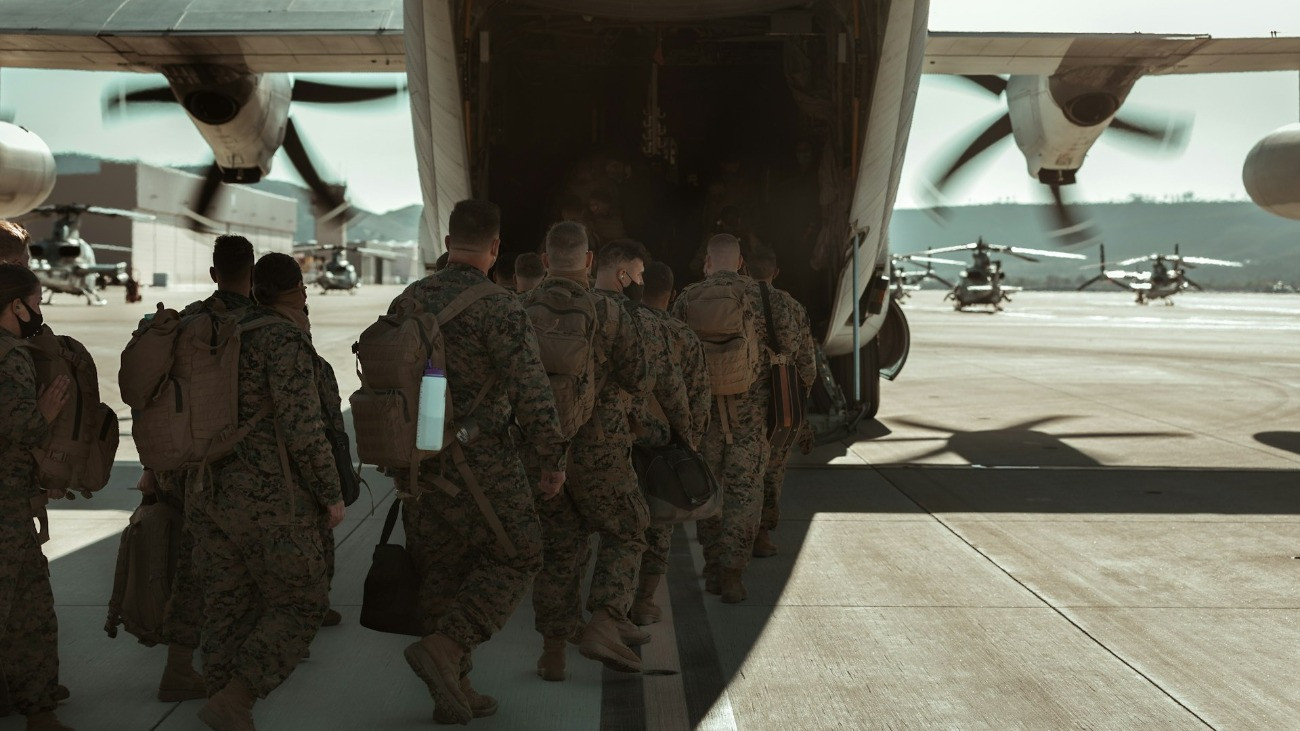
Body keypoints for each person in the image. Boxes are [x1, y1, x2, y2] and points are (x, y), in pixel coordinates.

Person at [396, 200, 567, 724]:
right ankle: (448, 649)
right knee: (521, 553)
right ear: (495, 247)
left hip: (416, 461)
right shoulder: (499, 307)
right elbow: (531, 389)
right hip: (479, 460)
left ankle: (455, 689)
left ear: (448, 243)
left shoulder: (408, 299)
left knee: (442, 572)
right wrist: (552, 457)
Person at [187, 252, 344, 730]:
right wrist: (330, 492)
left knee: (227, 606)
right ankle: (237, 697)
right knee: (304, 601)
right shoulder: (283, 340)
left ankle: (222, 703)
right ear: (298, 291)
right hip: (271, 499)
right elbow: (304, 428)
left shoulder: (224, 331)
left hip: (211, 492)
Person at [136, 234, 259, 705]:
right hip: (244, 474)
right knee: (251, 569)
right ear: (252, 275)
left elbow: (153, 398)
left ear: (213, 274)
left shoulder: (184, 322)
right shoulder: (263, 326)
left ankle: (179, 666)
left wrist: (151, 467)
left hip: (184, 468)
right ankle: (241, 668)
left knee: (191, 569)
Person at [529, 228, 649, 680]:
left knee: (559, 550)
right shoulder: (610, 311)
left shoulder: (519, 308)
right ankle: (605, 619)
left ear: (545, 260)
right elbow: (639, 378)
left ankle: (553, 653)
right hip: (601, 449)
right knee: (629, 528)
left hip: (544, 452)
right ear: (589, 260)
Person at [672, 234, 780, 603]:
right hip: (750, 419)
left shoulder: (687, 299)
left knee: (709, 491)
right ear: (740, 262)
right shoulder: (767, 299)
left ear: (707, 261)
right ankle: (734, 574)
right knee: (745, 494)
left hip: (705, 419)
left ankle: (713, 566)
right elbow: (796, 354)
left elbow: (673, 359)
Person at [0, 264, 74, 731]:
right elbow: (17, 429)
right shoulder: (10, 357)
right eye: (37, 302)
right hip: (5, 510)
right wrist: (44, 413)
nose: (39, 311)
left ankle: (38, 705)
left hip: (12, 504)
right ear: (16, 305)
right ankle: (38, 708)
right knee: (28, 612)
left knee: (27, 609)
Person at [629, 261, 711, 627]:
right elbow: (699, 396)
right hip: (663, 445)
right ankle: (644, 601)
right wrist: (690, 445)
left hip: (622, 436)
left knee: (621, 524)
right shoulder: (683, 335)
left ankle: (612, 603)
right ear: (672, 295)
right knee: (659, 523)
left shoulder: (625, 323)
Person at [743, 244, 817, 558]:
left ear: (744, 269)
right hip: (779, 403)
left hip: (740, 403)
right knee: (772, 471)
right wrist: (798, 402)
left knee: (739, 471)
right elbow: (807, 365)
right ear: (776, 272)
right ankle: (761, 535)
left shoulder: (735, 302)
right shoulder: (793, 307)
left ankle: (731, 539)